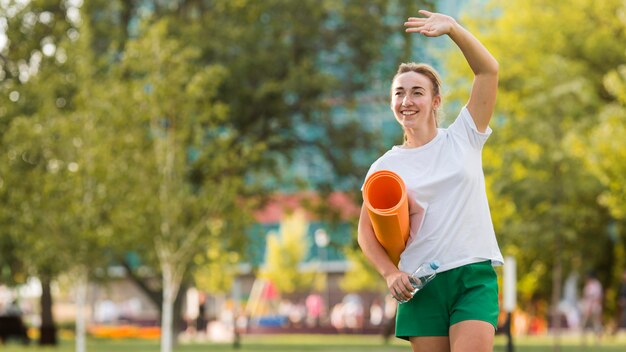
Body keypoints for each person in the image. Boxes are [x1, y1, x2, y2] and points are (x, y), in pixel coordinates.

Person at [357, 9, 503, 352]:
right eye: (399, 93)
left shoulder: (464, 137)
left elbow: (488, 70)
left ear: (436, 101)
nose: (407, 100)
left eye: (417, 92)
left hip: (471, 276)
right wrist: (390, 274)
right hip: (420, 284)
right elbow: (365, 232)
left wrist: (453, 29)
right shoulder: (384, 166)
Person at [580, 271, 603, 344]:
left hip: (594, 309)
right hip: (587, 308)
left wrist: (591, 308)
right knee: (584, 325)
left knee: (596, 325)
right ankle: (584, 341)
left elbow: (597, 298)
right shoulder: (587, 286)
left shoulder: (596, 285)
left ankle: (597, 341)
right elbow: (585, 297)